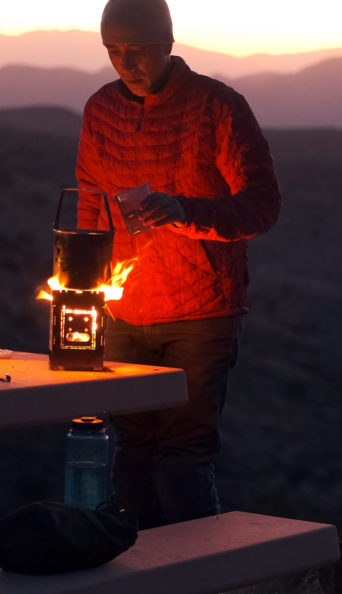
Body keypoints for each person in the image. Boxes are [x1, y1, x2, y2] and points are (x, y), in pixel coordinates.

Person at [75, 0, 281, 533]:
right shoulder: (100, 110)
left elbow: (262, 205)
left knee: (184, 457)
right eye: (114, 52)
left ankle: (193, 593)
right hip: (123, 314)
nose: (126, 65)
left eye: (138, 52)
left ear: (167, 44)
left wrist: (184, 211)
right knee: (132, 451)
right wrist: (82, 290)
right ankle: (134, 585)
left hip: (200, 311)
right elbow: (90, 208)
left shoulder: (218, 106)